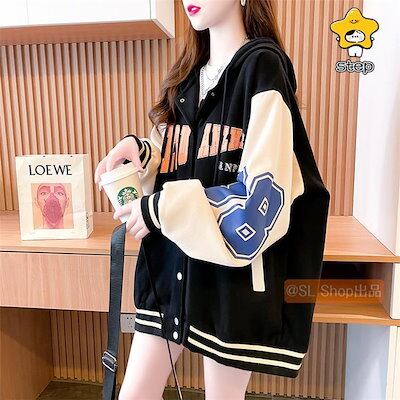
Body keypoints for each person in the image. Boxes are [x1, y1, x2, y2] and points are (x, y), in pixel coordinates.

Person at [94, 0, 330, 398]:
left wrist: (158, 209)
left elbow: (262, 194)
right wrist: (143, 153)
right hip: (170, 270)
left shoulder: (263, 68)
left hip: (229, 283)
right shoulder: (187, 78)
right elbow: (188, 160)